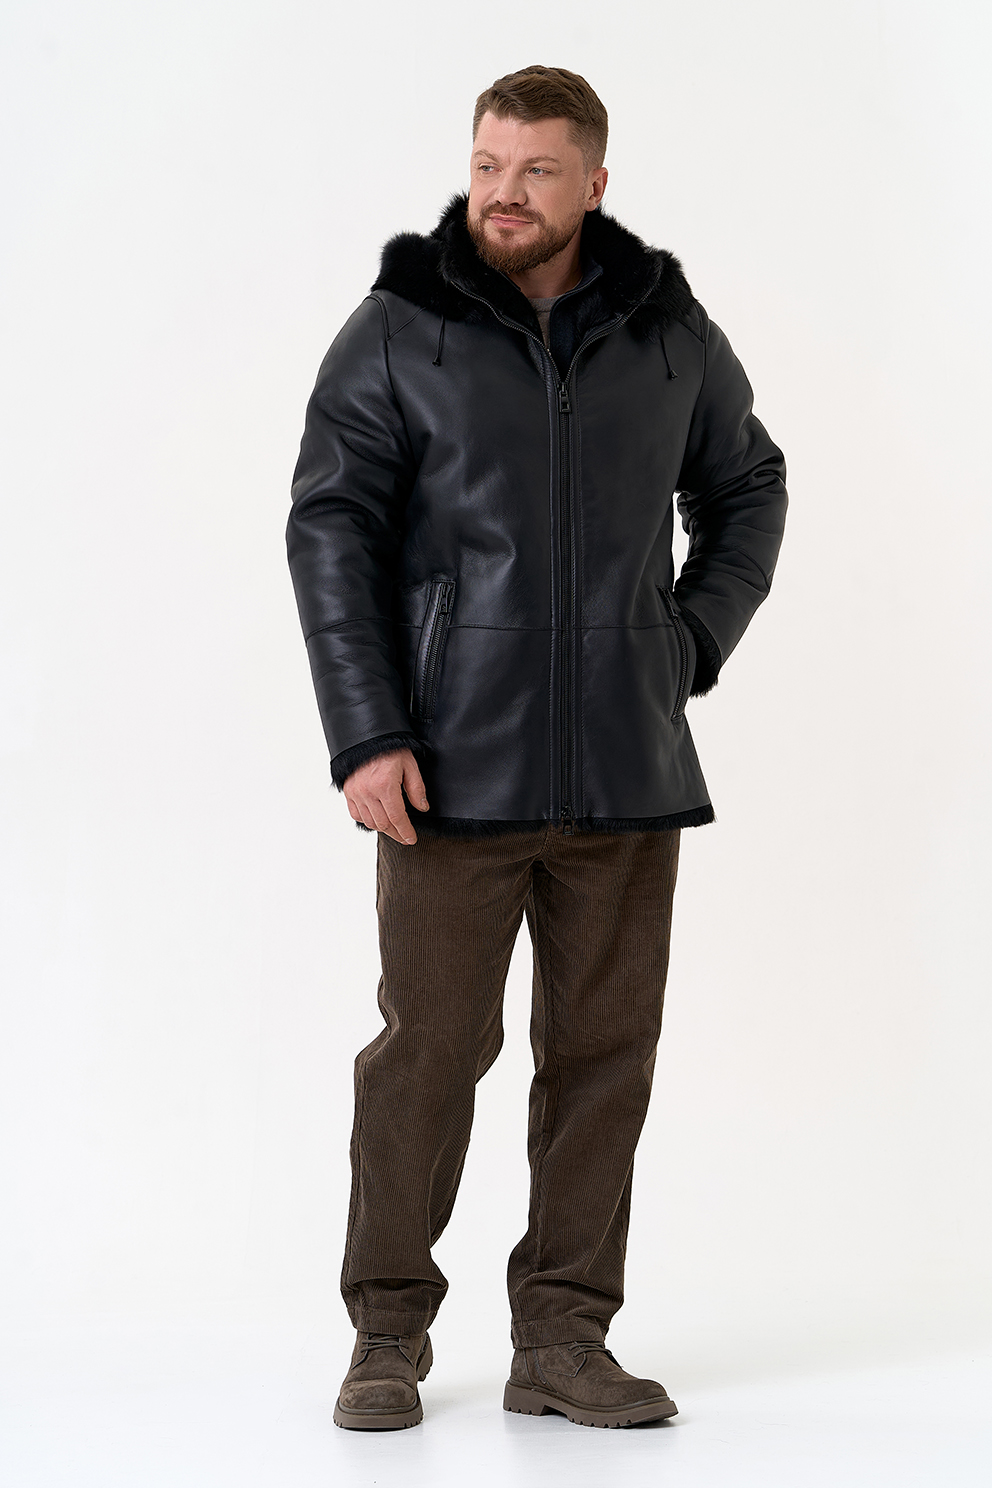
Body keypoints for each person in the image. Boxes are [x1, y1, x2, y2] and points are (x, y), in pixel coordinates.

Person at [286, 64, 788, 1432]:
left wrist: (683, 642)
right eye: (488, 165)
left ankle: (563, 1338)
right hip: (449, 770)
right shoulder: (402, 328)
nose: (503, 194)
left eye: (536, 171)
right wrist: (367, 731)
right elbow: (330, 527)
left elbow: (747, 483)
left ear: (595, 183)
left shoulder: (668, 333)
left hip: (626, 773)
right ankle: (387, 1332)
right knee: (427, 1055)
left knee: (604, 1060)